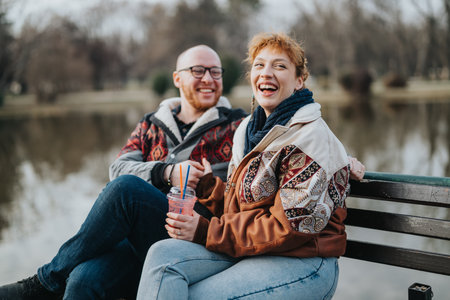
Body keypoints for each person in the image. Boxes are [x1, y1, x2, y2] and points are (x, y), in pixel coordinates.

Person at [0, 45, 247, 300]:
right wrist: (167, 171)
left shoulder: (239, 126)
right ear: (177, 78)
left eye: (216, 72)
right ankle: (54, 281)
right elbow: (117, 169)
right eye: (198, 71)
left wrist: (208, 183)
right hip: (136, 237)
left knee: (126, 190)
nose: (208, 79)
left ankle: (44, 283)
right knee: (83, 280)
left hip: (192, 235)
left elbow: (246, 195)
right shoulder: (151, 123)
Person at [136, 32, 365, 300]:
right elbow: (242, 208)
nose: (266, 73)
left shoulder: (311, 137)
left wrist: (205, 230)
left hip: (305, 261)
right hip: (255, 249)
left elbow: (288, 228)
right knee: (162, 256)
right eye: (259, 65)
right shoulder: (249, 129)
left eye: (279, 66)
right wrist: (209, 188)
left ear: (299, 81)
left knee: (195, 296)